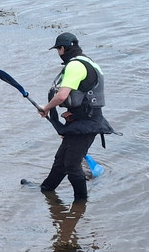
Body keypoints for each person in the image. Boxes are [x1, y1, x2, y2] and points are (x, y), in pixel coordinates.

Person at [35, 32, 115, 201]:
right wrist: (73, 114)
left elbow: (62, 96)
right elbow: (86, 95)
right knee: (61, 159)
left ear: (62, 49)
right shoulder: (89, 62)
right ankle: (46, 188)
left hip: (87, 124)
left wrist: (46, 108)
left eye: (58, 50)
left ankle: (80, 203)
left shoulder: (74, 66)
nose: (59, 53)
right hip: (84, 119)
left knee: (72, 164)